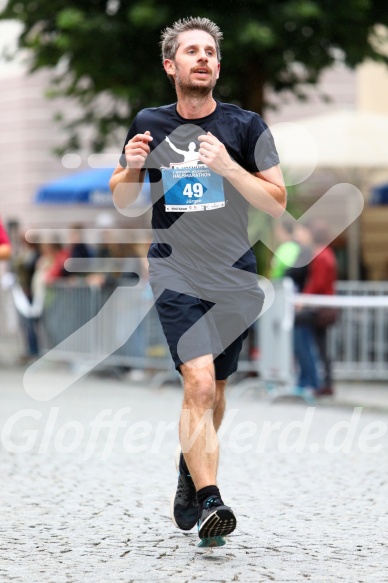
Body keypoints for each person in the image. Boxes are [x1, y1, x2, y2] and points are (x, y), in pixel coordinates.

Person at [109, 16, 286, 546]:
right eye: (192, 51)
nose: (204, 58)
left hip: (233, 274)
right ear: (172, 65)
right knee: (200, 383)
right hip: (175, 268)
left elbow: (275, 202)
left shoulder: (247, 125)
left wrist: (230, 168)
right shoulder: (149, 122)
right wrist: (132, 169)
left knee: (219, 390)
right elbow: (124, 201)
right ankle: (213, 500)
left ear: (217, 65)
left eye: (210, 51)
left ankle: (192, 471)